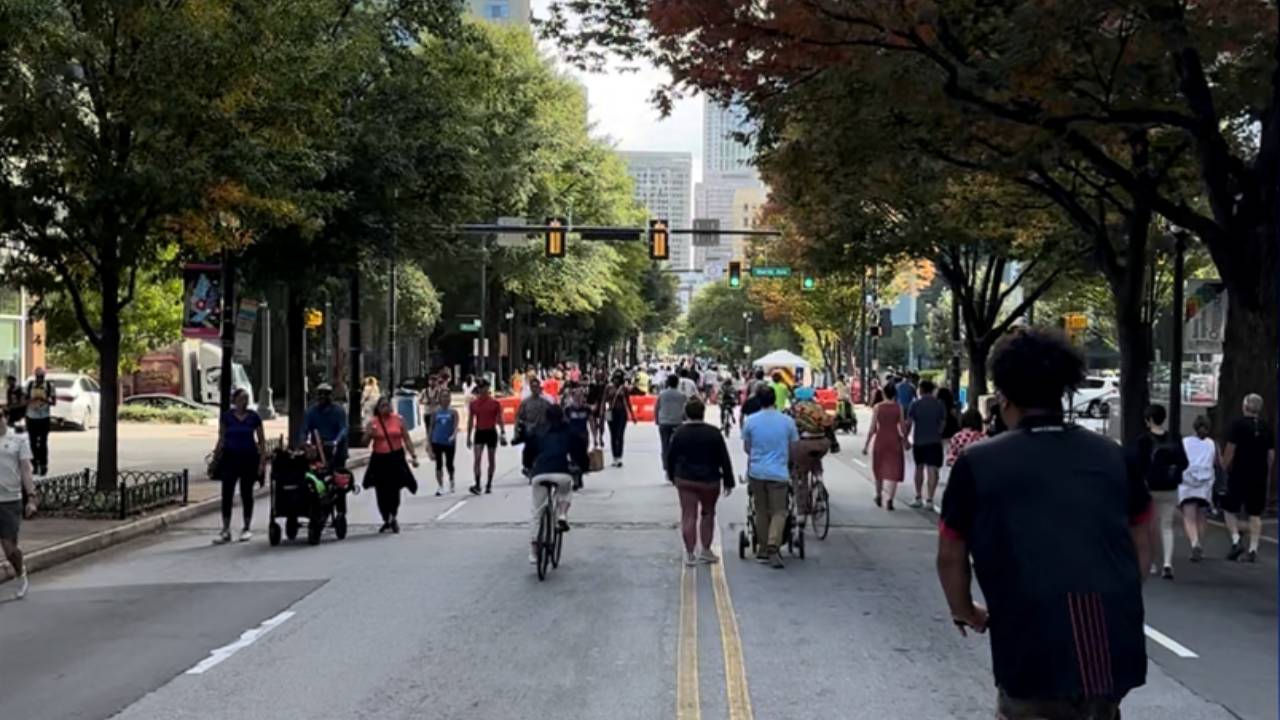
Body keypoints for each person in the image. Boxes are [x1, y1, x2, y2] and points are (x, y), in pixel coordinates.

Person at [937, 328, 1152, 720]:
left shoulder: (978, 463)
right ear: (1064, 389)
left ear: (1003, 396)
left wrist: (965, 609)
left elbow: (951, 552)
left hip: (1030, 645)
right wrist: (1119, 592)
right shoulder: (1113, 457)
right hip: (1112, 647)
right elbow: (1142, 536)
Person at [667, 398, 735, 566]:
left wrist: (671, 475)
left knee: (688, 515)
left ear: (686, 413)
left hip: (685, 479)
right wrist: (728, 480)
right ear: (703, 413)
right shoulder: (713, 433)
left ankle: (690, 554)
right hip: (709, 480)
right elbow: (724, 458)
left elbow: (671, 457)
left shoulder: (679, 433)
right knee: (708, 513)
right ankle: (706, 550)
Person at [1129, 404, 1188, 580]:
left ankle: (1152, 562)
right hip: (1170, 488)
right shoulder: (1174, 438)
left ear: (1148, 420)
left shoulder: (1143, 440)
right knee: (1167, 526)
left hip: (1149, 488)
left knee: (1149, 527)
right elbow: (1184, 463)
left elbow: (1136, 465)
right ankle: (1168, 564)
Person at [742, 385, 799, 569]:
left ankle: (763, 548)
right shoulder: (787, 421)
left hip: (757, 472)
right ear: (775, 399)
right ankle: (774, 544)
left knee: (761, 510)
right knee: (779, 511)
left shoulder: (750, 421)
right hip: (778, 473)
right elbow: (793, 448)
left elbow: (747, 448)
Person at [1221, 393, 1274, 563]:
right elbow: (1271, 454)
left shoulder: (1237, 424)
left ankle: (1236, 540)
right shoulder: (1267, 427)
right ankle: (1253, 548)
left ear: (1244, 406)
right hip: (1259, 473)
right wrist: (1267, 470)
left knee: (1229, 508)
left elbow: (1230, 449)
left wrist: (1225, 466)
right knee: (1255, 513)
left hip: (1239, 472)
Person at [212, 388, 266, 544]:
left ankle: (247, 527)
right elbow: (221, 438)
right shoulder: (227, 417)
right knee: (227, 493)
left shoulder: (254, 417)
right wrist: (216, 458)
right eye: (242, 398)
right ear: (234, 400)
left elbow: (261, 441)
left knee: (246, 493)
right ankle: (226, 529)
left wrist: (262, 462)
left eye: (247, 398)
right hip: (230, 458)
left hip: (249, 459)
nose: (245, 401)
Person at [362, 396, 420, 533]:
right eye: (382, 406)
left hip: (396, 457)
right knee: (381, 491)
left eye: (387, 405)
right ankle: (385, 516)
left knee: (394, 490)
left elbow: (406, 438)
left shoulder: (398, 419)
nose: (385, 408)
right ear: (378, 408)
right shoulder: (373, 423)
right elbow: (364, 443)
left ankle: (393, 515)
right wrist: (369, 434)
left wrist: (413, 456)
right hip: (380, 459)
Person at [526, 404, 575, 564]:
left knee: (537, 510)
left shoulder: (537, 431)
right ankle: (562, 513)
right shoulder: (568, 431)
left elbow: (528, 452)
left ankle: (534, 549)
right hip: (561, 471)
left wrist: (528, 466)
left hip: (539, 473)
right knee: (566, 489)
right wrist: (582, 465)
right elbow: (578, 450)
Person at [0, 411, 37, 599]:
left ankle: (20, 573)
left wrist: (31, 497)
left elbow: (25, 469)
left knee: (9, 548)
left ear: (5, 418)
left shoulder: (18, 439)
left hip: (10, 500)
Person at [789, 386, 833, 523]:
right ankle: (819, 479)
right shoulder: (819, 408)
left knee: (800, 475)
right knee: (815, 459)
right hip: (822, 444)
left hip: (804, 445)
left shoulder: (794, 409)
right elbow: (829, 425)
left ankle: (802, 513)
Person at [904, 379, 948, 512]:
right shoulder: (939, 404)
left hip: (919, 440)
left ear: (921, 390)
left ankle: (918, 497)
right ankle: (930, 499)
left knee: (919, 468)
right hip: (934, 440)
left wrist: (905, 439)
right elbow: (943, 422)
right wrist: (938, 432)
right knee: (932, 469)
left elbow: (909, 423)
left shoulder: (915, 404)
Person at [1179, 416, 1217, 563]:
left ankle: (1194, 543)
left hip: (1188, 482)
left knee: (1189, 517)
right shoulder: (1211, 443)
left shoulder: (1185, 442)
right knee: (1202, 516)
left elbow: (1181, 460)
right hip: (1205, 483)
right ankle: (1200, 544)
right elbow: (1214, 462)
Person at [863, 385, 906, 510]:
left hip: (881, 440)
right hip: (894, 440)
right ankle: (890, 499)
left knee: (879, 468)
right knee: (894, 470)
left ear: (883, 394)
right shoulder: (899, 407)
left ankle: (878, 495)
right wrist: (905, 440)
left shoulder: (878, 407)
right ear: (895, 394)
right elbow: (902, 427)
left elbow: (872, 428)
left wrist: (866, 445)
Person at [465, 380, 506, 495]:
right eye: (480, 388)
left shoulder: (495, 403)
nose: (482, 390)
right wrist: (468, 436)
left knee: (491, 459)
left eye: (484, 388)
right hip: (479, 432)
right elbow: (470, 421)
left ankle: (489, 483)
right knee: (477, 458)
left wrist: (502, 432)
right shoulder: (474, 404)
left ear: (488, 389)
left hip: (491, 432)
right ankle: (477, 484)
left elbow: (500, 419)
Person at [303, 383, 349, 469]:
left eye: (326, 394)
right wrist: (305, 442)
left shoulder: (338, 410)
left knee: (337, 473)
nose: (322, 396)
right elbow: (305, 429)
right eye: (320, 394)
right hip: (319, 447)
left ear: (331, 395)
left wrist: (336, 441)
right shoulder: (311, 411)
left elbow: (343, 429)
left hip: (336, 448)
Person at [515, 377, 553, 477]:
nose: (535, 389)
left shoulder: (546, 402)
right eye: (533, 387)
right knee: (528, 451)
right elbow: (519, 417)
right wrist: (517, 432)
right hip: (530, 432)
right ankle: (528, 468)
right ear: (531, 388)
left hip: (543, 431)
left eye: (537, 386)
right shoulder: (526, 403)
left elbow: (553, 414)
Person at [427, 394, 459, 496]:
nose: (445, 399)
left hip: (449, 442)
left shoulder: (453, 412)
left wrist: (453, 436)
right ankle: (440, 486)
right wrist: (429, 443)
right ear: (440, 400)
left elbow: (455, 427)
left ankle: (451, 480)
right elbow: (431, 428)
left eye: (447, 398)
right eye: (443, 397)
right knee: (438, 464)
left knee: (449, 463)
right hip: (437, 441)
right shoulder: (435, 412)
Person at [24, 368, 54, 476]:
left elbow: (53, 402)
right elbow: (24, 400)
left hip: (44, 417)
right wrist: (32, 400)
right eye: (38, 377)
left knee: (42, 443)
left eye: (42, 377)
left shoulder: (49, 387)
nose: (40, 379)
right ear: (35, 376)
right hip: (31, 417)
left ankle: (43, 464)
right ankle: (35, 465)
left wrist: (44, 399)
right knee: (32, 443)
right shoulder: (29, 386)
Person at [562, 381, 592, 489]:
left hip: (583, 437)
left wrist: (596, 437)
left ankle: (579, 477)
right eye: (577, 396)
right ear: (572, 396)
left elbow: (592, 422)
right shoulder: (568, 409)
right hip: (571, 437)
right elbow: (564, 423)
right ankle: (575, 480)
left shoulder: (587, 409)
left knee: (582, 458)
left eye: (581, 396)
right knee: (573, 459)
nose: (579, 398)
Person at [656, 374, 688, 472]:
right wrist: (685, 418)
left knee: (665, 446)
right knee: (678, 446)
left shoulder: (662, 394)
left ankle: (666, 467)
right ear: (677, 383)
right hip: (677, 423)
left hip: (664, 423)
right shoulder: (682, 395)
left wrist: (657, 420)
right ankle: (677, 466)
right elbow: (685, 410)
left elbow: (657, 408)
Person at [604, 372, 636, 467]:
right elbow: (604, 401)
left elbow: (628, 402)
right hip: (610, 412)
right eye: (615, 378)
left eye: (618, 378)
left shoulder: (624, 389)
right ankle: (615, 457)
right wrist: (602, 414)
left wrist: (632, 415)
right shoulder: (608, 388)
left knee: (620, 434)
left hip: (621, 413)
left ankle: (619, 457)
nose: (616, 380)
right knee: (613, 435)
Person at [587, 369, 608, 450]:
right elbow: (589, 397)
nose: (599, 378)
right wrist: (590, 405)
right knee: (593, 424)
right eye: (598, 376)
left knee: (603, 424)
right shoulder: (592, 385)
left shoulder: (606, 386)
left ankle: (601, 437)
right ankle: (595, 438)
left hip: (604, 407)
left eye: (601, 376)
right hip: (594, 406)